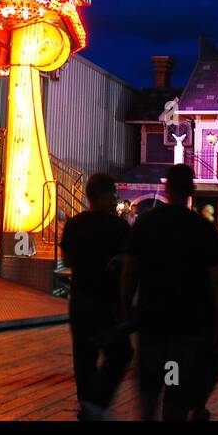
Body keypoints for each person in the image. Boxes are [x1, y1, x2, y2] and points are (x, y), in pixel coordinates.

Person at [122, 164, 218, 421]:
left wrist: (126, 312)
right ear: (191, 189)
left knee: (149, 386)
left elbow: (129, 272)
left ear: (166, 188)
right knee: (176, 388)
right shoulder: (202, 228)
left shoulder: (145, 223)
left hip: (152, 318)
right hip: (188, 323)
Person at [59, 172, 132, 420]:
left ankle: (86, 403)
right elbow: (127, 267)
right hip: (108, 302)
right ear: (101, 195)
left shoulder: (74, 224)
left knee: (83, 355)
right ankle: (97, 402)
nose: (115, 199)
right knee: (121, 352)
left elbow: (67, 260)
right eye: (112, 193)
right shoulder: (120, 227)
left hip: (80, 298)